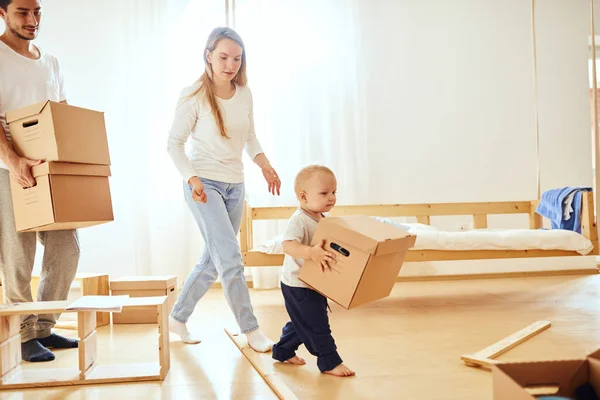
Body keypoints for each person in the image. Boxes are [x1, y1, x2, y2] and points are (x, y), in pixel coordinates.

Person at [166, 26, 280, 352]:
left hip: (236, 185)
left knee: (214, 260)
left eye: (236, 58)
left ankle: (177, 317)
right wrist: (192, 178)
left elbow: (250, 138)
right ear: (209, 56)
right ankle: (251, 329)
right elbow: (174, 144)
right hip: (203, 185)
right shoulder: (193, 95)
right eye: (223, 57)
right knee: (230, 258)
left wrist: (265, 164)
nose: (230, 64)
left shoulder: (244, 93)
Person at [0, 0, 80, 362]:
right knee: (19, 255)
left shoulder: (51, 62)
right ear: (2, 12)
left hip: (51, 171)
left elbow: (60, 114)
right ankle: (23, 333)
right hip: (9, 171)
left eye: (37, 12)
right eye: (22, 12)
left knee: (67, 250)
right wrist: (14, 160)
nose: (33, 20)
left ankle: (43, 327)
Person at [272, 165, 355, 377]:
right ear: (303, 196)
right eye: (325, 193)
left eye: (334, 192)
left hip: (313, 282)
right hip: (297, 284)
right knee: (317, 323)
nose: (332, 198)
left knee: (303, 320)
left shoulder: (321, 218)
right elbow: (288, 245)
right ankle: (329, 361)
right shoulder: (299, 220)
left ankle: (282, 350)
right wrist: (310, 253)